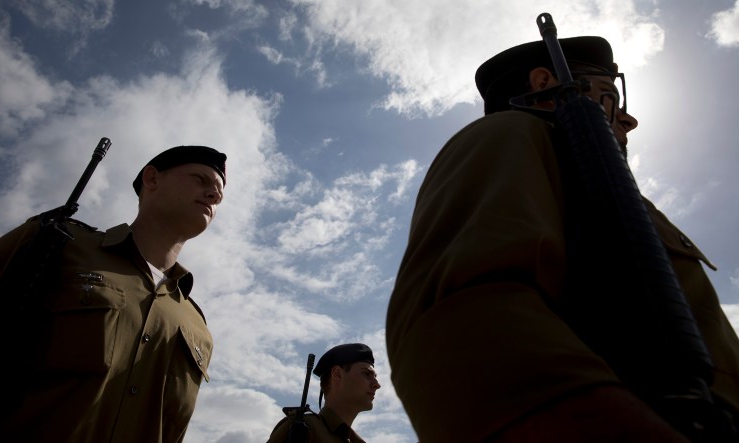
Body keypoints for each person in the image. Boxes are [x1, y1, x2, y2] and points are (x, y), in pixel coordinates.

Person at [386, 36, 739, 442]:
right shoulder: (511, 134)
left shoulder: (622, 198)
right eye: (609, 96)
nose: (628, 120)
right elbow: (465, 321)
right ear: (543, 84)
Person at [0, 145, 226, 442]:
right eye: (200, 179)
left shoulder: (198, 328)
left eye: (219, 192)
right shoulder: (57, 245)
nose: (215, 194)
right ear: (152, 179)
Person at [267, 343, 381, 443]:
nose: (377, 384)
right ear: (338, 374)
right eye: (366, 374)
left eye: (375, 377)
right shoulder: (305, 428)